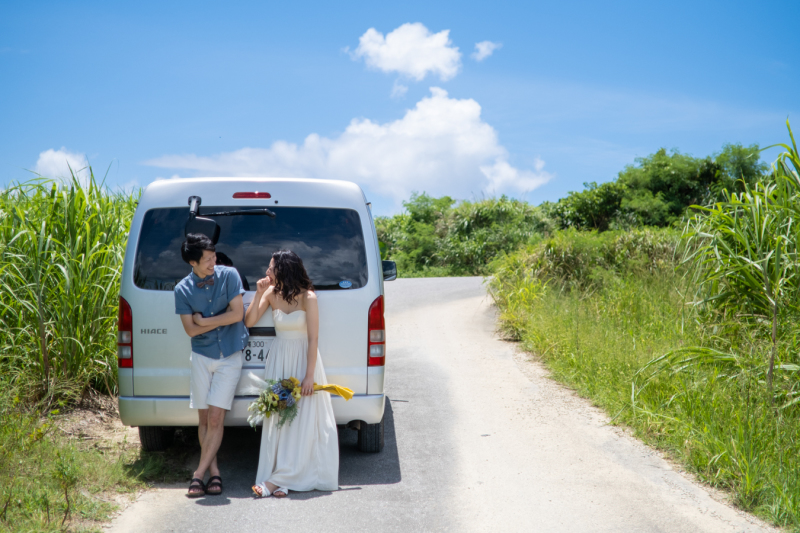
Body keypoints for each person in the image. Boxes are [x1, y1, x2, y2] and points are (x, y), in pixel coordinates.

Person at [246, 250, 339, 498]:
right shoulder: (270, 294)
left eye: (271, 268)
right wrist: (257, 293)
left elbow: (313, 338)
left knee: (301, 420)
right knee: (280, 418)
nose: (267, 272)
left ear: (284, 269)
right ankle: (281, 479)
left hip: (303, 361)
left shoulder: (309, 297)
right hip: (280, 361)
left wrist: (309, 376)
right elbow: (249, 321)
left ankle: (281, 480)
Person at [174, 233, 249, 497]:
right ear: (192, 262)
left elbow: (238, 314)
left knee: (217, 417)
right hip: (202, 356)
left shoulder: (229, 276)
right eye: (207, 259)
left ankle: (197, 474)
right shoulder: (182, 290)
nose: (213, 262)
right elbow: (190, 332)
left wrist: (205, 321)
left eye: (214, 256)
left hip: (229, 354)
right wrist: (213, 321)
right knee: (204, 418)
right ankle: (214, 472)